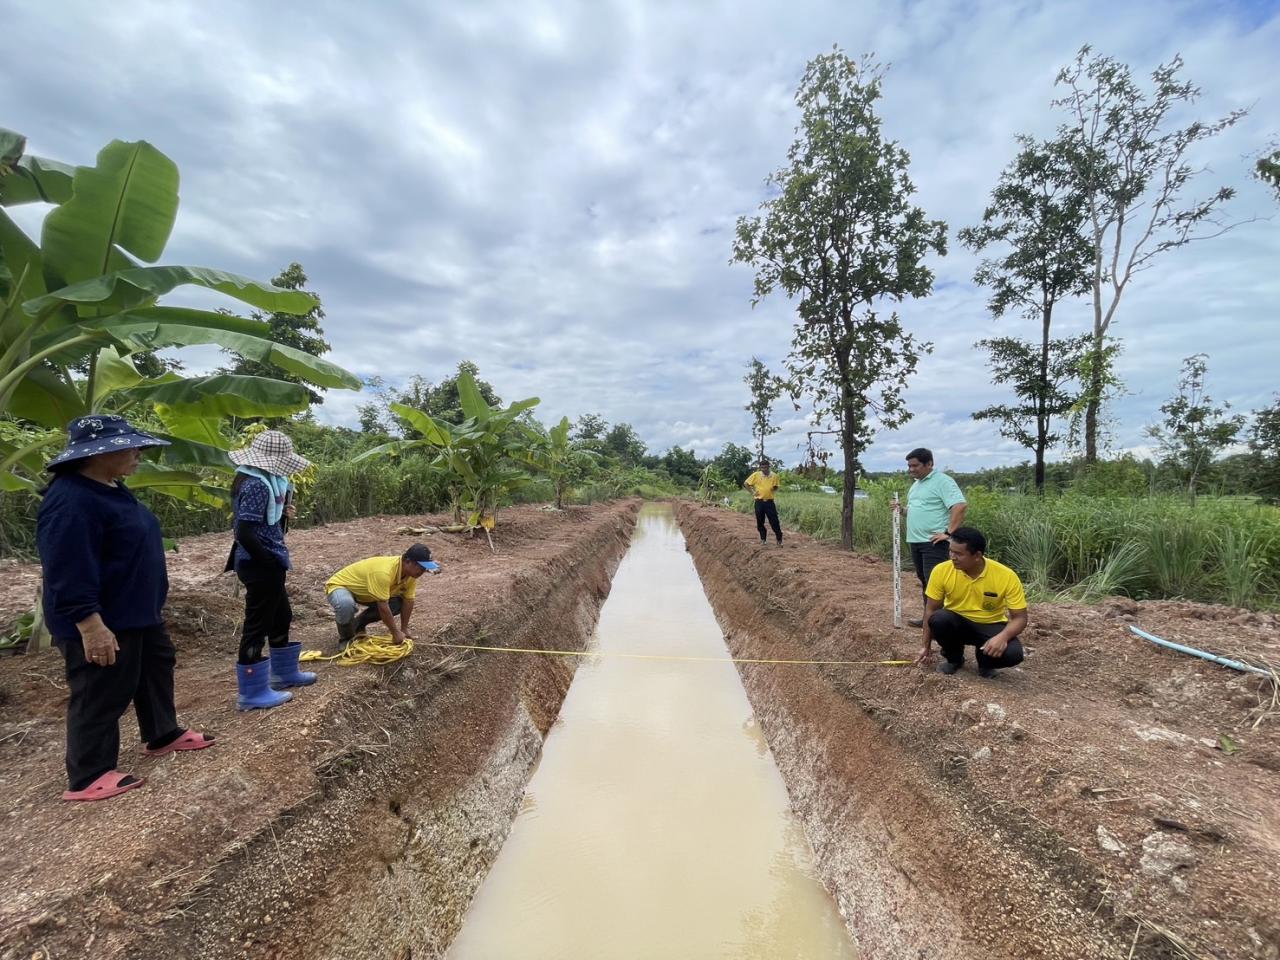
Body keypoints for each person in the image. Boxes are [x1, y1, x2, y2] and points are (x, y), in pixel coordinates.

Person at [36, 414, 214, 802]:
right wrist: (90, 623)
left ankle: (162, 732)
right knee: (102, 687)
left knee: (154, 667)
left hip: (137, 611)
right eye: (129, 447)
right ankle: (89, 773)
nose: (138, 453)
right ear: (98, 454)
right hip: (105, 617)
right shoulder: (71, 500)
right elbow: (67, 567)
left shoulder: (110, 487)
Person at [226, 430, 314, 710]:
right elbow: (244, 531)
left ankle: (283, 674)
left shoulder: (270, 482)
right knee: (257, 625)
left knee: (281, 616)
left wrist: (283, 515)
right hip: (260, 562)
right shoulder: (257, 485)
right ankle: (251, 693)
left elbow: (263, 523)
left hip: (270, 560)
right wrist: (266, 562)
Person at [914, 527, 1028, 679]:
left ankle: (986, 662)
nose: (952, 557)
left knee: (1014, 654)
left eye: (959, 554)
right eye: (951, 551)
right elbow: (930, 609)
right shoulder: (941, 571)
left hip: (990, 624)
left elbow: (1020, 617)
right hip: (956, 622)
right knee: (939, 619)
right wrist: (925, 646)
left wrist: (1003, 637)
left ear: (977, 555)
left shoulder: (1006, 576)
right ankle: (954, 659)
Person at [895, 447, 966, 627]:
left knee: (936, 583)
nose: (911, 470)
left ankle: (941, 623)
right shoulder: (916, 485)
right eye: (909, 466)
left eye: (915, 465)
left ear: (929, 464)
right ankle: (929, 618)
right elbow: (917, 510)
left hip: (934, 542)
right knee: (925, 580)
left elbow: (959, 506)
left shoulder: (943, 481)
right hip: (916, 541)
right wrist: (901, 510)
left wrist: (948, 533)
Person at [324, 544, 440, 646]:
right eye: (421, 567)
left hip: (367, 592)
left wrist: (403, 629)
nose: (423, 571)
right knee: (345, 605)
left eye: (425, 568)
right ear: (408, 561)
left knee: (397, 603)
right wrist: (395, 633)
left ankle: (357, 626)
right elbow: (383, 606)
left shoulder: (410, 575)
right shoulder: (384, 572)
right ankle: (346, 639)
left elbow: (408, 601)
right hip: (341, 586)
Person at [743, 458, 782, 546]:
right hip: (759, 502)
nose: (764, 469)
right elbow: (746, 483)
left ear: (769, 467)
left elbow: (776, 486)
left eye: (766, 467)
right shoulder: (756, 475)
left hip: (769, 502)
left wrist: (772, 489)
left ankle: (779, 539)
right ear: (760, 468)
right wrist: (752, 492)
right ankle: (763, 539)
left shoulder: (774, 476)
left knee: (774, 521)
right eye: (762, 468)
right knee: (760, 521)